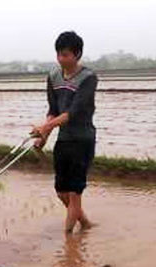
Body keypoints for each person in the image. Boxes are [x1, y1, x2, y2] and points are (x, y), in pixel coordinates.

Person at [32, 31, 98, 235]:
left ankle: (69, 241)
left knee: (75, 193)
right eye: (59, 54)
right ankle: (85, 224)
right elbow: (53, 109)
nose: (61, 59)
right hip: (64, 140)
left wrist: (45, 128)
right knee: (61, 191)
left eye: (66, 55)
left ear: (77, 54)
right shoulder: (53, 76)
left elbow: (73, 112)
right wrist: (44, 135)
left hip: (82, 139)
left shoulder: (88, 78)